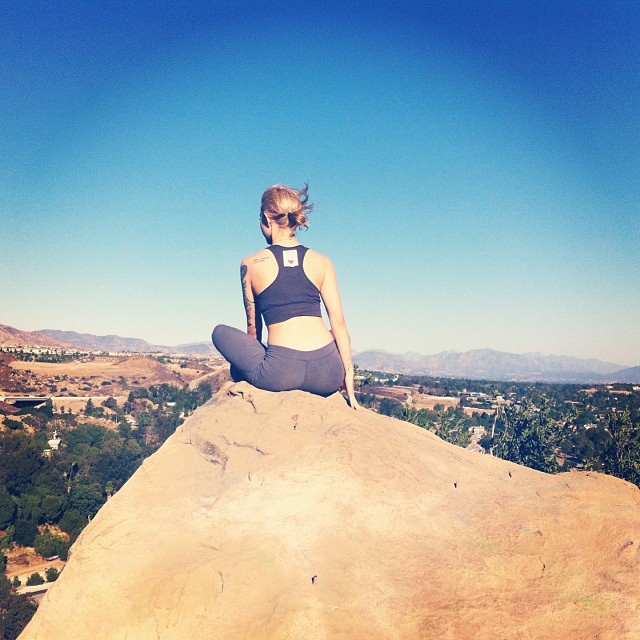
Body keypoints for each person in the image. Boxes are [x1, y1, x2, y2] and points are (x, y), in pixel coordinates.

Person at [212, 183, 359, 409]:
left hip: (281, 373)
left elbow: (253, 331)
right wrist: (348, 376)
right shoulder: (323, 261)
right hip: (327, 374)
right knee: (330, 333)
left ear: (266, 218)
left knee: (219, 332)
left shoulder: (250, 264)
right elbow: (338, 323)